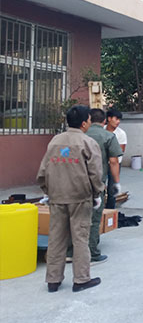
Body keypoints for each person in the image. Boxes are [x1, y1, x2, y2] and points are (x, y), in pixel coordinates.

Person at [36, 105, 105, 292]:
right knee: (80, 238)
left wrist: (47, 191)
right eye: (89, 119)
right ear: (84, 123)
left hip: (57, 197)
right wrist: (97, 194)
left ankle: (53, 280)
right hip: (80, 198)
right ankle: (81, 279)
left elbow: (43, 171)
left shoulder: (54, 141)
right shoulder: (88, 142)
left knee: (56, 239)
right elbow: (95, 174)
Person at [68, 108, 122, 264]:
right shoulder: (108, 136)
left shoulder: (76, 136)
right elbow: (113, 161)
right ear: (104, 120)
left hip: (73, 182)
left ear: (89, 119)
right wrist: (116, 182)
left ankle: (70, 251)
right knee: (93, 218)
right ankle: (92, 252)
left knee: (73, 217)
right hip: (95, 184)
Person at [104, 108, 127, 209]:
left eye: (119, 119)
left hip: (115, 164)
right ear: (109, 118)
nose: (118, 122)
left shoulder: (121, 134)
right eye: (116, 119)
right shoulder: (101, 130)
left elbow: (121, 151)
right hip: (102, 163)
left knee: (112, 189)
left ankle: (110, 210)